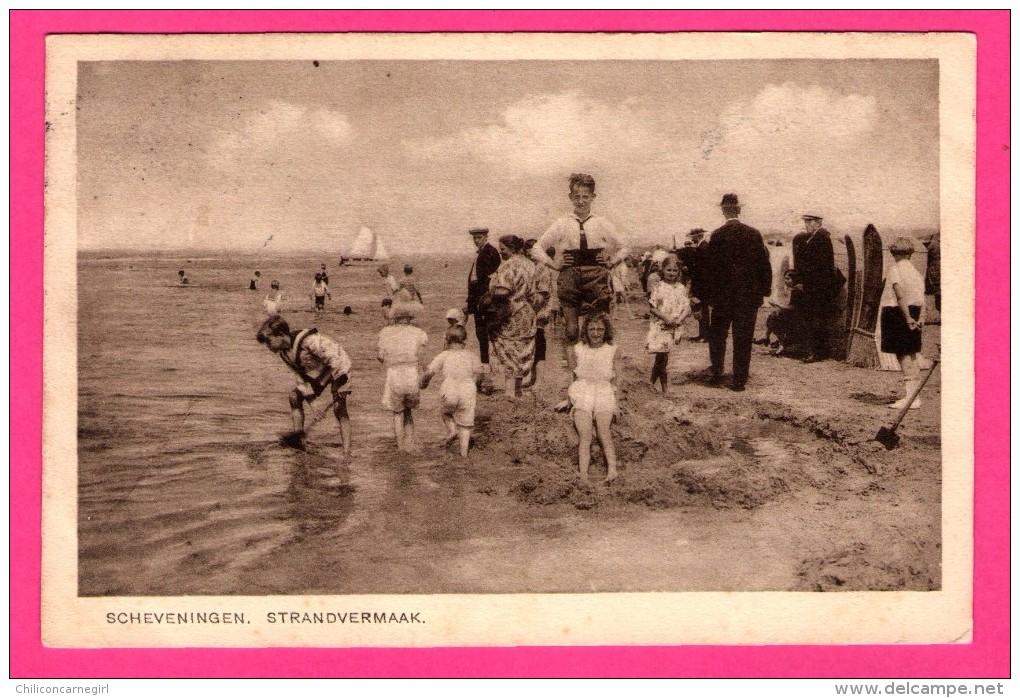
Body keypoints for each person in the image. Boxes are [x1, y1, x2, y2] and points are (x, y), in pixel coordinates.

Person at [530, 173, 628, 368]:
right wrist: (555, 265)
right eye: (577, 196)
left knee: (599, 326)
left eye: (585, 197)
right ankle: (575, 374)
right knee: (572, 330)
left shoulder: (601, 222)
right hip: (570, 275)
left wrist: (610, 262)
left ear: (593, 197)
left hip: (596, 275)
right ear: (570, 197)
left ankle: (601, 369)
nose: (581, 201)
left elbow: (625, 247)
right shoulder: (562, 223)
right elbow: (536, 248)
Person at [703, 193, 773, 391]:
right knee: (743, 337)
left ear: (723, 211)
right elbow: (764, 266)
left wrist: (709, 295)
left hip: (722, 298)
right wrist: (764, 292)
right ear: (739, 210)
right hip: (748, 297)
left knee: (718, 335)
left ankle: (717, 373)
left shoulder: (717, 235)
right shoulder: (754, 234)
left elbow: (710, 269)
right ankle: (739, 380)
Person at [255, 315, 352, 454]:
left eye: (269, 342)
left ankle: (346, 452)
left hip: (339, 369)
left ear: (281, 335)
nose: (268, 347)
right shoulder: (284, 354)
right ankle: (298, 441)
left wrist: (340, 384)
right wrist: (314, 405)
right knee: (294, 396)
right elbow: (301, 378)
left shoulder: (309, 340)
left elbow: (336, 357)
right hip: (318, 375)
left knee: (339, 408)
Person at [563, 313, 620, 483]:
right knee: (585, 434)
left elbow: (618, 378)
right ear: (585, 331)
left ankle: (612, 470)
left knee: (604, 431)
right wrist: (568, 399)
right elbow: (573, 377)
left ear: (606, 331)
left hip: (604, 391)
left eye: (600, 329)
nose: (596, 333)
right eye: (592, 329)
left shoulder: (612, 349)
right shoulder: (577, 349)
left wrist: (616, 403)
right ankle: (583, 475)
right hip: (583, 390)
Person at [420, 325, 483, 458]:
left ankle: (452, 430)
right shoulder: (471, 355)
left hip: (449, 388)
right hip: (467, 388)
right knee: (465, 425)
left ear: (447, 341)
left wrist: (423, 383)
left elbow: (429, 372)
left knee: (446, 412)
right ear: (464, 340)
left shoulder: (444, 355)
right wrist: (477, 385)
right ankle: (464, 454)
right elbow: (480, 373)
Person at [487, 235, 538, 398]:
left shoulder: (508, 266)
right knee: (523, 350)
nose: (501, 253)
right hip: (527, 311)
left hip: (510, 312)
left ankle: (509, 392)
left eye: (503, 250)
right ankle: (518, 390)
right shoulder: (530, 264)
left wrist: (490, 293)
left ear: (511, 249)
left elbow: (504, 291)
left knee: (508, 351)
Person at [881, 238, 926, 410]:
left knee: (904, 354)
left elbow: (900, 295)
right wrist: (921, 317)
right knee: (911, 353)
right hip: (914, 311)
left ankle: (911, 398)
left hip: (898, 313)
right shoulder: (916, 272)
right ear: (911, 254)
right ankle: (913, 395)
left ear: (894, 254)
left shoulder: (895, 270)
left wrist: (907, 318)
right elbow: (922, 299)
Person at [377, 302, 428, 451]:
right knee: (409, 412)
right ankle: (410, 445)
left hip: (394, 374)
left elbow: (380, 357)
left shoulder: (385, 332)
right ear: (409, 318)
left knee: (397, 414)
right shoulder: (418, 333)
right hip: (412, 374)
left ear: (394, 318)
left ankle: (400, 448)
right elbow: (421, 356)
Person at [791, 214, 839, 363]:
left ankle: (816, 352)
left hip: (818, 288)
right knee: (815, 319)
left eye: (809, 222)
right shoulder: (815, 238)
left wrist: (805, 283)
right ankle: (818, 351)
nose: (806, 225)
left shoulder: (821, 239)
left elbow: (820, 267)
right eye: (806, 222)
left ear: (818, 223)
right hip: (816, 287)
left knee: (815, 320)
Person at [646, 254, 692, 394]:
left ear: (679, 272)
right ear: (663, 270)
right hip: (661, 326)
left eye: (675, 271)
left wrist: (680, 318)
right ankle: (662, 387)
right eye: (668, 270)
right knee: (662, 357)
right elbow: (652, 307)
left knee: (662, 357)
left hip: (674, 327)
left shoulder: (681, 288)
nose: (671, 273)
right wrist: (665, 317)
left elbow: (687, 307)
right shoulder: (659, 286)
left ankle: (650, 385)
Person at [464, 227, 502, 371]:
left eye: (479, 238)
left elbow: (488, 280)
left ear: (486, 237)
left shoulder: (490, 252)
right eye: (474, 238)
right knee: (482, 333)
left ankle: (490, 364)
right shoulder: (481, 253)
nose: (476, 240)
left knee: (487, 332)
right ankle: (487, 364)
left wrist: (479, 300)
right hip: (479, 300)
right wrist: (470, 302)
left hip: (486, 301)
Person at [524, 239, 553, 388]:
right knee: (533, 344)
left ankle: (540, 379)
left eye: (533, 253)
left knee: (539, 343)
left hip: (539, 311)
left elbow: (542, 295)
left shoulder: (542, 268)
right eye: (528, 253)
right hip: (531, 311)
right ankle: (533, 377)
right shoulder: (531, 268)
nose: (530, 255)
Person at [677, 228, 711, 341]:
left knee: (703, 308)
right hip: (701, 283)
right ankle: (703, 334)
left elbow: (702, 268)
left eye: (693, 237)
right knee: (701, 308)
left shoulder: (704, 247)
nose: (691, 239)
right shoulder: (702, 246)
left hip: (702, 284)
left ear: (698, 236)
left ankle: (705, 335)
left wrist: (690, 269)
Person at [924, 231, 941, 317]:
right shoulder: (937, 244)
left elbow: (925, 254)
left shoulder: (933, 245)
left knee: (938, 294)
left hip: (935, 270)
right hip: (938, 269)